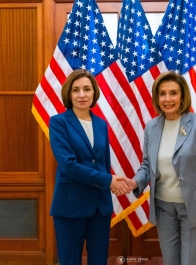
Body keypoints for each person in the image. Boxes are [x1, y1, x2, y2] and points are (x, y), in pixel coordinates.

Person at [113, 71, 196, 265]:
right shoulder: (152, 127)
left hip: (195, 207)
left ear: (182, 96)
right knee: (170, 261)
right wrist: (135, 182)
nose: (168, 99)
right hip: (163, 207)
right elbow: (147, 165)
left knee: (191, 261)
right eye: (162, 93)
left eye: (173, 93)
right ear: (157, 98)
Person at [49, 69, 129, 265]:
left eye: (86, 89)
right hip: (70, 206)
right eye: (76, 90)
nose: (82, 94)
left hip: (99, 207)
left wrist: (112, 182)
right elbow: (68, 165)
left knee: (99, 261)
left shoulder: (101, 124)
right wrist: (109, 181)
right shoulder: (58, 123)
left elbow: (102, 163)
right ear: (68, 94)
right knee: (70, 261)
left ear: (94, 92)